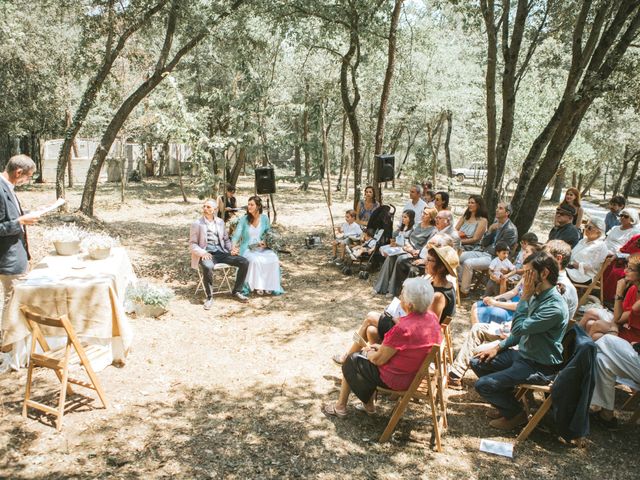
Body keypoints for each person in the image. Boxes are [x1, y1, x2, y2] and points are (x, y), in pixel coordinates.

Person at [470, 251, 569, 430]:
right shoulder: (538, 295)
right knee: (478, 362)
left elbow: (518, 328)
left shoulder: (554, 307)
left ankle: (516, 414)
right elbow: (519, 334)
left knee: (483, 385)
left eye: (528, 273)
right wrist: (499, 347)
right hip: (524, 355)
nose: (524, 278)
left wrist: (524, 297)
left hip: (539, 366)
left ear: (544, 273)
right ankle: (507, 403)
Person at [322, 277, 441, 417]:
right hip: (414, 373)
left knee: (352, 359)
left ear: (409, 305)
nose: (400, 297)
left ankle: (340, 406)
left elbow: (378, 361)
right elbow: (407, 349)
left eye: (402, 295)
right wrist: (379, 348)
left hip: (397, 379)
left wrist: (370, 352)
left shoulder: (403, 328)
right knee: (364, 356)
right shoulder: (432, 318)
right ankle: (368, 405)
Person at [190, 200, 250, 309]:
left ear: (215, 210)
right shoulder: (197, 224)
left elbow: (226, 239)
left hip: (221, 252)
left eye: (208, 207)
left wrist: (231, 249)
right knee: (208, 266)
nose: (205, 209)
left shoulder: (220, 222)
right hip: (207, 254)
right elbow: (193, 244)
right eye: (204, 206)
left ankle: (237, 291)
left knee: (244, 262)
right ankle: (209, 297)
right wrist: (203, 252)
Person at [0, 155, 39, 318]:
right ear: (18, 172)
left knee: (16, 300)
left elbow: (9, 215)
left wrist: (29, 214)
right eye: (28, 177)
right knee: (13, 302)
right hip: (8, 258)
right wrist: (19, 222)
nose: (27, 180)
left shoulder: (7, 186)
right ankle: (7, 341)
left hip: (16, 254)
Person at [391, 210, 460, 296]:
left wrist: (425, 260)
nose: (436, 220)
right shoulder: (438, 230)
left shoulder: (453, 235)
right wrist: (417, 252)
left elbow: (448, 257)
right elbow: (428, 247)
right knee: (401, 260)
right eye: (436, 218)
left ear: (448, 221)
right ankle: (400, 291)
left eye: (439, 218)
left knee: (413, 269)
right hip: (424, 257)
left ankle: (410, 296)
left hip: (438, 265)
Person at [458, 202, 518, 296]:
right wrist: (490, 230)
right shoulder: (495, 223)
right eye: (497, 207)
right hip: (484, 251)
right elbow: (484, 242)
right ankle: (459, 284)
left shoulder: (510, 230)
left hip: (495, 258)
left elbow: (502, 250)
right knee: (459, 256)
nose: (497, 210)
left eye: (501, 208)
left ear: (507, 213)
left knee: (468, 263)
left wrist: (489, 248)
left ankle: (464, 291)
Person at [373, 207, 437, 295]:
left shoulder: (433, 230)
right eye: (423, 212)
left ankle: (392, 290)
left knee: (400, 259)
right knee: (391, 256)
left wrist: (414, 251)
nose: (422, 215)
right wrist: (407, 246)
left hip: (416, 253)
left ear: (431, 218)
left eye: (426, 214)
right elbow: (407, 237)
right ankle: (380, 287)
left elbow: (427, 247)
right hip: (407, 248)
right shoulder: (418, 225)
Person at [232, 195, 283, 295]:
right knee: (255, 260)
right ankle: (257, 286)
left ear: (258, 206)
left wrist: (266, 242)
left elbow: (268, 233)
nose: (249, 207)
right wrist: (233, 247)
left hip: (261, 247)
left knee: (273, 258)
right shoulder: (244, 219)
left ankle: (269, 286)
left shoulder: (264, 219)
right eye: (248, 204)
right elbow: (236, 236)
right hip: (248, 248)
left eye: (252, 205)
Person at [566, 217, 608, 285]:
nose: (586, 229)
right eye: (586, 226)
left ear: (599, 232)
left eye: (589, 228)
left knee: (555, 272)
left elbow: (592, 266)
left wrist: (574, 264)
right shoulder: (583, 240)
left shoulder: (600, 246)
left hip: (583, 275)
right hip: (570, 268)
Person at [613, 258, 640, 344]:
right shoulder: (633, 289)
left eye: (630, 269)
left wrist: (619, 293)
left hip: (636, 339)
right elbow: (619, 318)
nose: (625, 271)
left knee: (596, 327)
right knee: (592, 317)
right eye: (626, 267)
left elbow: (618, 319)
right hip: (627, 328)